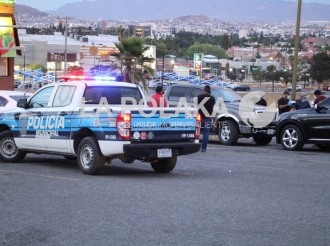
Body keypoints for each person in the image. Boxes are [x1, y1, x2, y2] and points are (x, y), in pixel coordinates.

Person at [197, 85, 215, 152]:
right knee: (206, 133)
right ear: (209, 91)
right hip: (208, 117)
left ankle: (195, 145)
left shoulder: (199, 97)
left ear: (203, 90)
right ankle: (203, 148)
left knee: (196, 132)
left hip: (200, 117)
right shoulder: (212, 98)